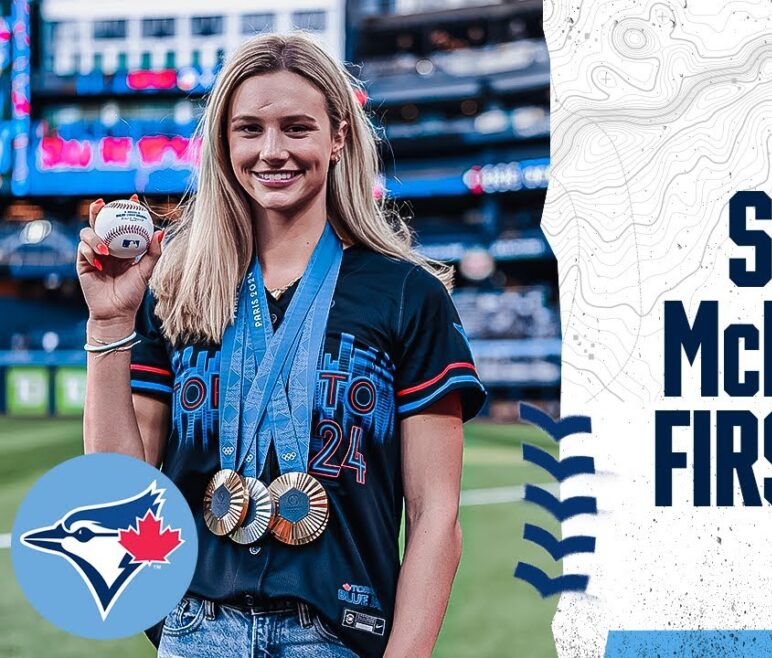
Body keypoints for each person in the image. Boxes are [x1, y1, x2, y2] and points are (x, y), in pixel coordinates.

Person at [76, 33, 485, 658]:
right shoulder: (178, 288)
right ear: (225, 143)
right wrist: (109, 325)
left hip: (334, 637)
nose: (272, 151)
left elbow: (436, 522)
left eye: (297, 128)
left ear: (338, 136)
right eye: (249, 130)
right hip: (194, 632)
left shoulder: (407, 295)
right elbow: (124, 494)